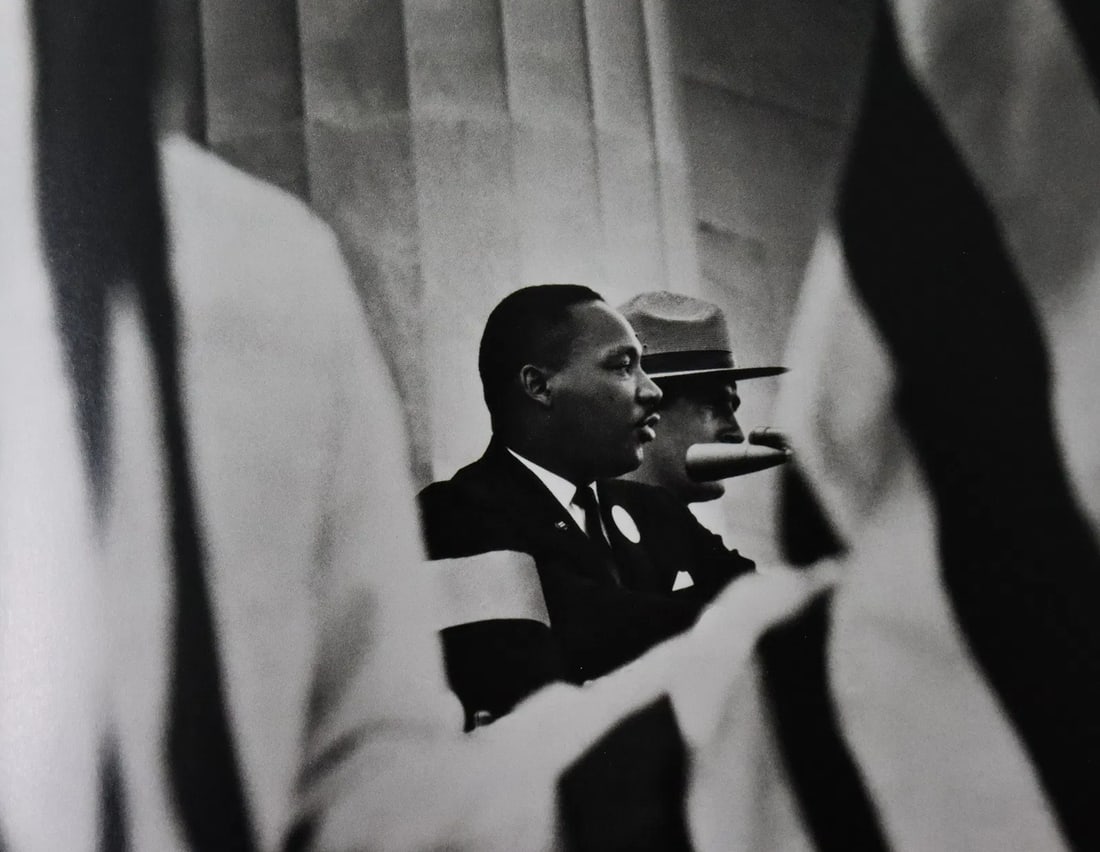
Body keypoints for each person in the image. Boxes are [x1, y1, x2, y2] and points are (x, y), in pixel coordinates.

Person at [418, 285, 756, 721]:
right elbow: (579, 632)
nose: (651, 391)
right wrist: (728, 614)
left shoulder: (652, 509)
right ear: (538, 385)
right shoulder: (454, 513)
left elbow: (755, 593)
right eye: (622, 367)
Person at [619, 291, 786, 504]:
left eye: (732, 408)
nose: (738, 435)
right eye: (715, 406)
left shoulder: (692, 537)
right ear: (642, 408)